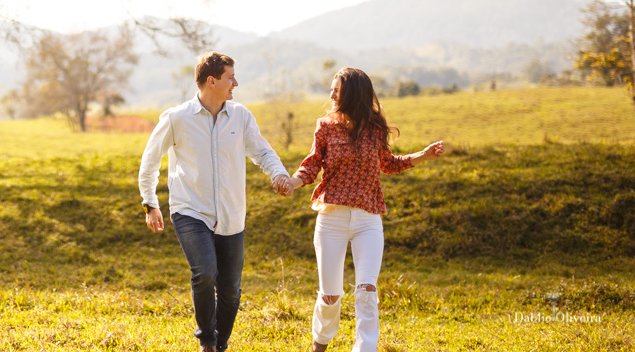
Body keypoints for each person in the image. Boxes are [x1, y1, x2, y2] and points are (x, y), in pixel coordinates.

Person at [277, 67, 444, 352]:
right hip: (332, 218)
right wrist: (292, 182)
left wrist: (423, 156)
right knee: (330, 295)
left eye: (336, 90)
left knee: (367, 291)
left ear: (352, 94)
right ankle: (320, 344)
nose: (330, 94)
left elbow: (388, 163)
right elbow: (312, 164)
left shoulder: (375, 129)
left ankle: (365, 348)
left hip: (368, 218)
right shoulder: (325, 126)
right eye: (331, 89)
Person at [138, 51, 294, 352]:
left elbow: (262, 152)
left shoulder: (241, 116)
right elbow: (150, 161)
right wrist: (150, 203)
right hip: (190, 210)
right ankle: (207, 342)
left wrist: (278, 175)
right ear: (212, 81)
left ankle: (219, 346)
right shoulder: (176, 118)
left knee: (231, 291)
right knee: (205, 271)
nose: (235, 83)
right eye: (230, 77)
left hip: (232, 215)